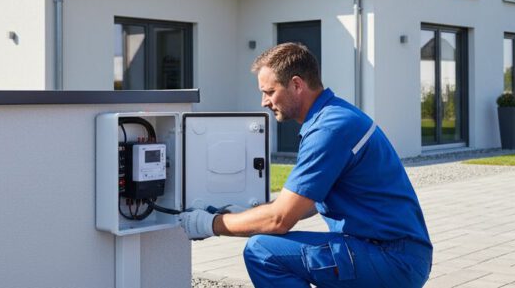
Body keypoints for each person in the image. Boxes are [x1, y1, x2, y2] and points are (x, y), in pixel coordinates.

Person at [179, 43, 432, 287]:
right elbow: (301, 205)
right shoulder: (333, 116)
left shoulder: (329, 128)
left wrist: (207, 223)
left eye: (269, 92)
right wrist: (244, 213)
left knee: (262, 251)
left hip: (391, 258)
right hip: (392, 252)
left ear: (297, 85)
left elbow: (280, 220)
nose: (264, 102)